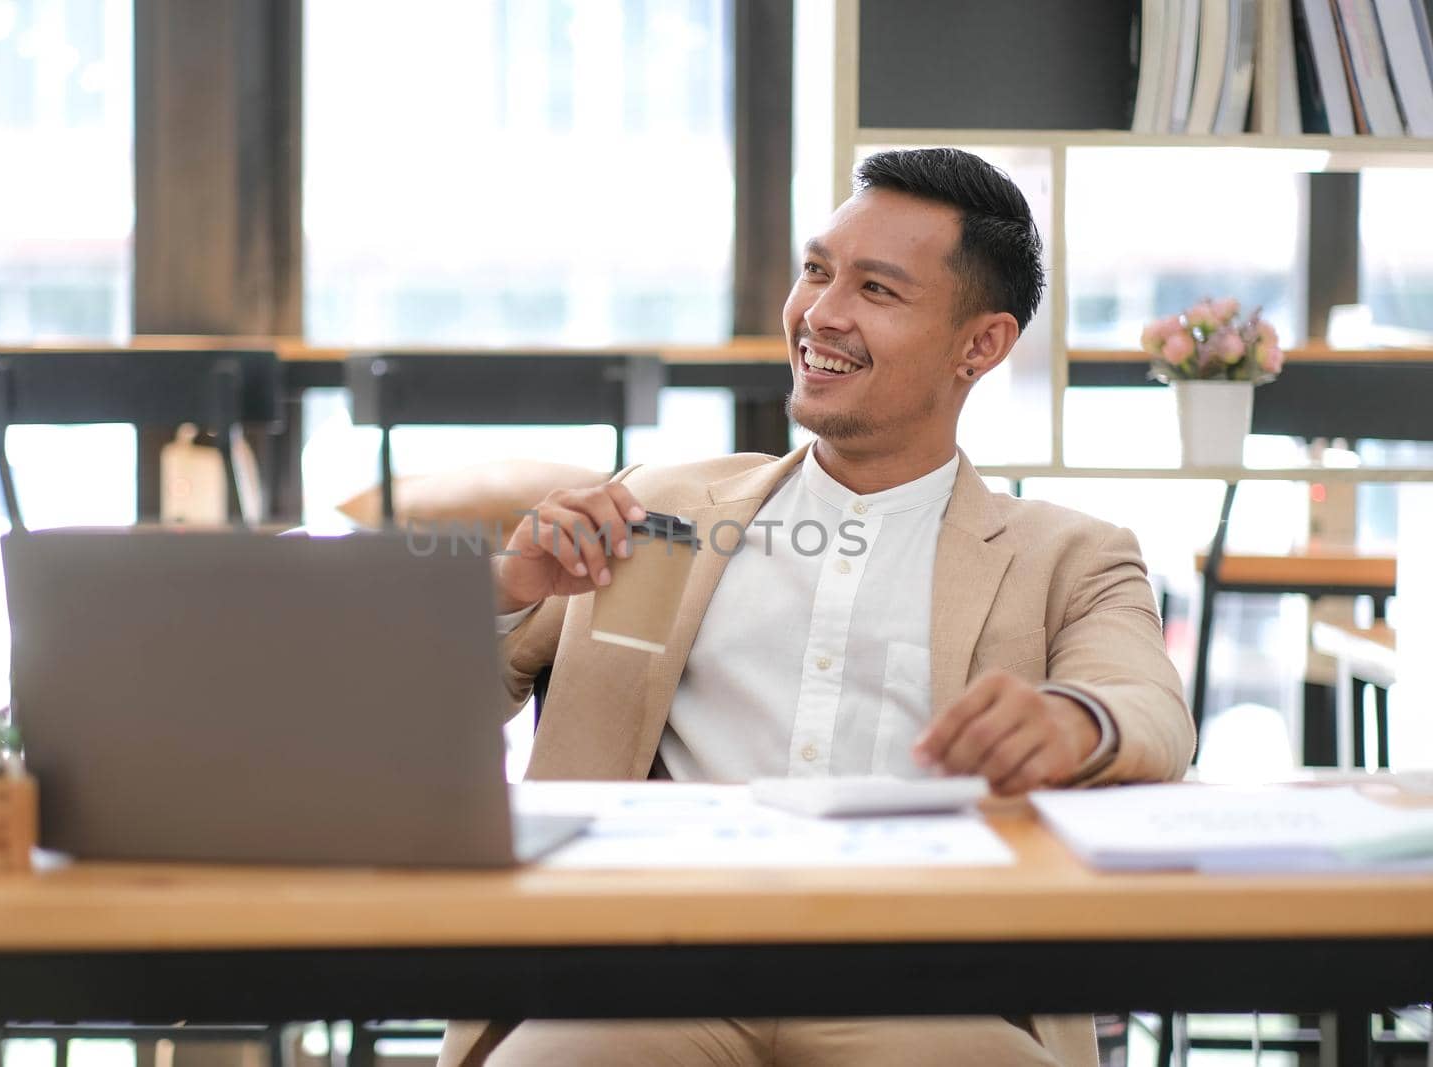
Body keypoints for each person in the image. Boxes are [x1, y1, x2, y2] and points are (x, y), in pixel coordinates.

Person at [439, 147, 1196, 1067]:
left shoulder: (1069, 553)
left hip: (927, 987)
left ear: (982, 344)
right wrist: (505, 594)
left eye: (877, 289)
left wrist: (1069, 723)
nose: (821, 314)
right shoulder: (660, 511)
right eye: (817, 271)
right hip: (649, 974)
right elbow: (420, 720)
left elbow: (1150, 709)